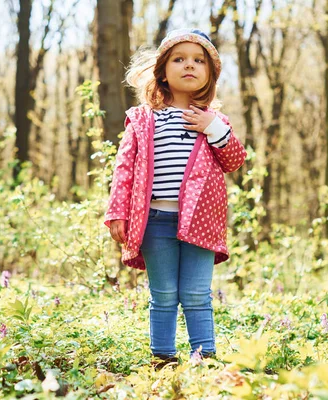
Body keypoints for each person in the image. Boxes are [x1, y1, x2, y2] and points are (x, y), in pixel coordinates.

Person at [104, 28, 247, 368]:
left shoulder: (215, 122)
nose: (189, 65)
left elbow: (234, 161)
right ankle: (163, 357)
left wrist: (213, 127)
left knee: (197, 294)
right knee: (164, 294)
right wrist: (117, 213)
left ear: (210, 74)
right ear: (163, 71)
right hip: (155, 220)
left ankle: (204, 358)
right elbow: (123, 168)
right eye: (179, 59)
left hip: (201, 220)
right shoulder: (142, 119)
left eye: (199, 61)